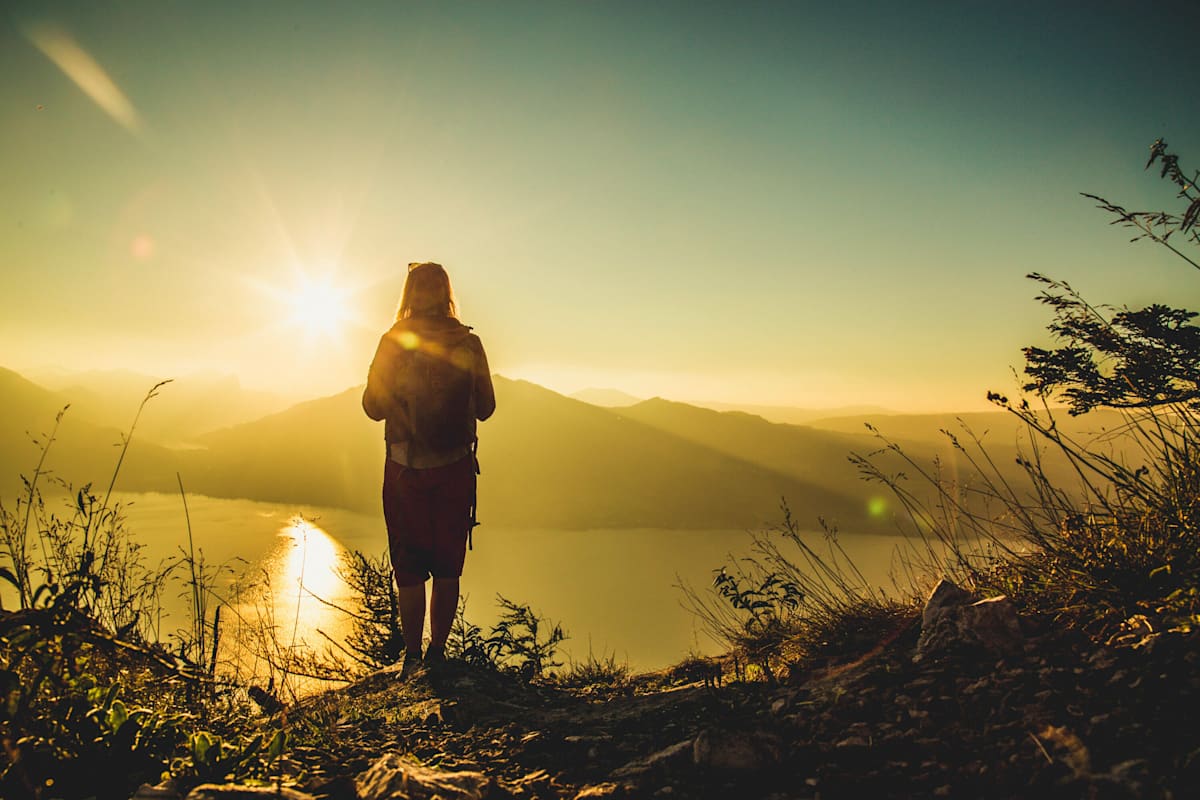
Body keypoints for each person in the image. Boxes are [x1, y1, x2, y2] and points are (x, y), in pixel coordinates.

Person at [362, 261, 496, 673]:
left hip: (404, 468)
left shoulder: (393, 340)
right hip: (455, 468)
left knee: (409, 566)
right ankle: (438, 654)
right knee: (447, 565)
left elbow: (371, 408)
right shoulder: (468, 343)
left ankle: (412, 657)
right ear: (446, 293)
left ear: (408, 294)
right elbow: (488, 408)